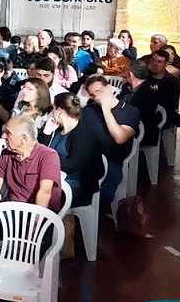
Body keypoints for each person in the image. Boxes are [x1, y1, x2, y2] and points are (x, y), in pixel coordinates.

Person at [0, 115, 63, 268]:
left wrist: (32, 231)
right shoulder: (6, 155)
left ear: (23, 138)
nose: (3, 136)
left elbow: (45, 193)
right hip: (10, 213)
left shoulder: (48, 156)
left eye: (8, 133)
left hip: (38, 217)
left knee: (24, 259)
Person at [83, 76, 140, 209]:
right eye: (93, 95)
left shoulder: (129, 111)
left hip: (112, 160)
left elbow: (120, 137)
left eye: (99, 91)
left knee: (105, 191)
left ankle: (101, 212)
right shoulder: (88, 111)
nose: (97, 97)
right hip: (89, 159)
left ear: (108, 88)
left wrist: (106, 109)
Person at [41, 92, 103, 207]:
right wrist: (46, 133)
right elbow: (40, 152)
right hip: (53, 176)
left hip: (77, 182)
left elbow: (74, 164)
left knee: (41, 191)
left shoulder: (85, 134)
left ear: (59, 110)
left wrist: (47, 162)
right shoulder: (56, 130)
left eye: (53, 109)